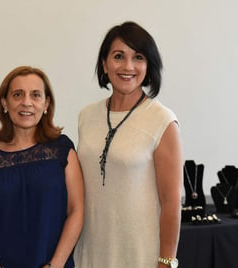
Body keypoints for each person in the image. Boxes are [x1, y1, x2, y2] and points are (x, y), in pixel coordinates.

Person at [74, 22, 183, 268]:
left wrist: (167, 262)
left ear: (148, 66)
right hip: (90, 253)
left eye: (138, 57)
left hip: (140, 256)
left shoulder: (162, 121)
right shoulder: (86, 117)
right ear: (104, 64)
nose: (127, 66)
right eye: (118, 56)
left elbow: (171, 202)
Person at [0, 66, 84, 268]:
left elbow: (76, 211)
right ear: (5, 103)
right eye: (17, 95)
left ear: (46, 103)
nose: (27, 102)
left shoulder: (62, 150)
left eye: (36, 95)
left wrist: (55, 265)